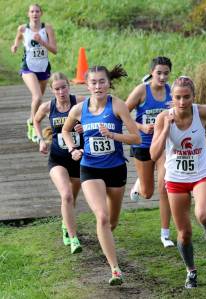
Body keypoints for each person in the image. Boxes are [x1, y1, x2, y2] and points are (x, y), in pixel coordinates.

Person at [62, 65, 140, 286]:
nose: (98, 86)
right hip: (90, 168)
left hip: (115, 169)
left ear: (108, 83)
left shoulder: (118, 106)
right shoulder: (78, 109)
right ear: (86, 85)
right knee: (102, 217)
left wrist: (113, 135)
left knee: (112, 221)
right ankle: (115, 269)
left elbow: (135, 138)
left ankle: (104, 239)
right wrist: (72, 149)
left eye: (102, 82)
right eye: (93, 82)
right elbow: (66, 130)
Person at [150, 76, 206, 289]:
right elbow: (153, 153)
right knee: (184, 234)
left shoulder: (200, 112)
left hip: (201, 172)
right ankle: (191, 271)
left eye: (186, 97)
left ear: (193, 97)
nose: (182, 102)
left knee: (203, 214)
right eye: (177, 97)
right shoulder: (163, 118)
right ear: (171, 97)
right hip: (175, 178)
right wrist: (166, 129)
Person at [126, 56, 174, 248]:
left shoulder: (172, 92)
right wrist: (141, 126)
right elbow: (122, 115)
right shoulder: (142, 91)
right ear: (152, 72)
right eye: (159, 73)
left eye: (166, 73)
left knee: (164, 187)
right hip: (143, 144)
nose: (162, 77)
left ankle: (165, 234)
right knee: (147, 193)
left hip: (164, 146)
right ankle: (139, 183)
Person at [33, 72, 84, 254]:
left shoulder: (79, 101)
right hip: (57, 158)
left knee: (72, 198)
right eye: (57, 89)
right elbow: (35, 120)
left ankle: (65, 223)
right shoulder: (48, 106)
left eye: (64, 87)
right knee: (67, 195)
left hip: (78, 158)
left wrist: (83, 125)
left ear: (69, 87)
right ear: (52, 90)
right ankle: (73, 238)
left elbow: (95, 115)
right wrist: (40, 140)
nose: (61, 92)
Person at [11, 3, 57, 143]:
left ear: (41, 14)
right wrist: (15, 45)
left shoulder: (47, 28)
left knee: (38, 100)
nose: (35, 14)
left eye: (37, 11)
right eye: (32, 11)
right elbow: (19, 37)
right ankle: (34, 127)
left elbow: (54, 50)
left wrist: (42, 41)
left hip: (43, 67)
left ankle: (31, 120)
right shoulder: (23, 28)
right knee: (37, 97)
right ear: (28, 14)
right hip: (28, 67)